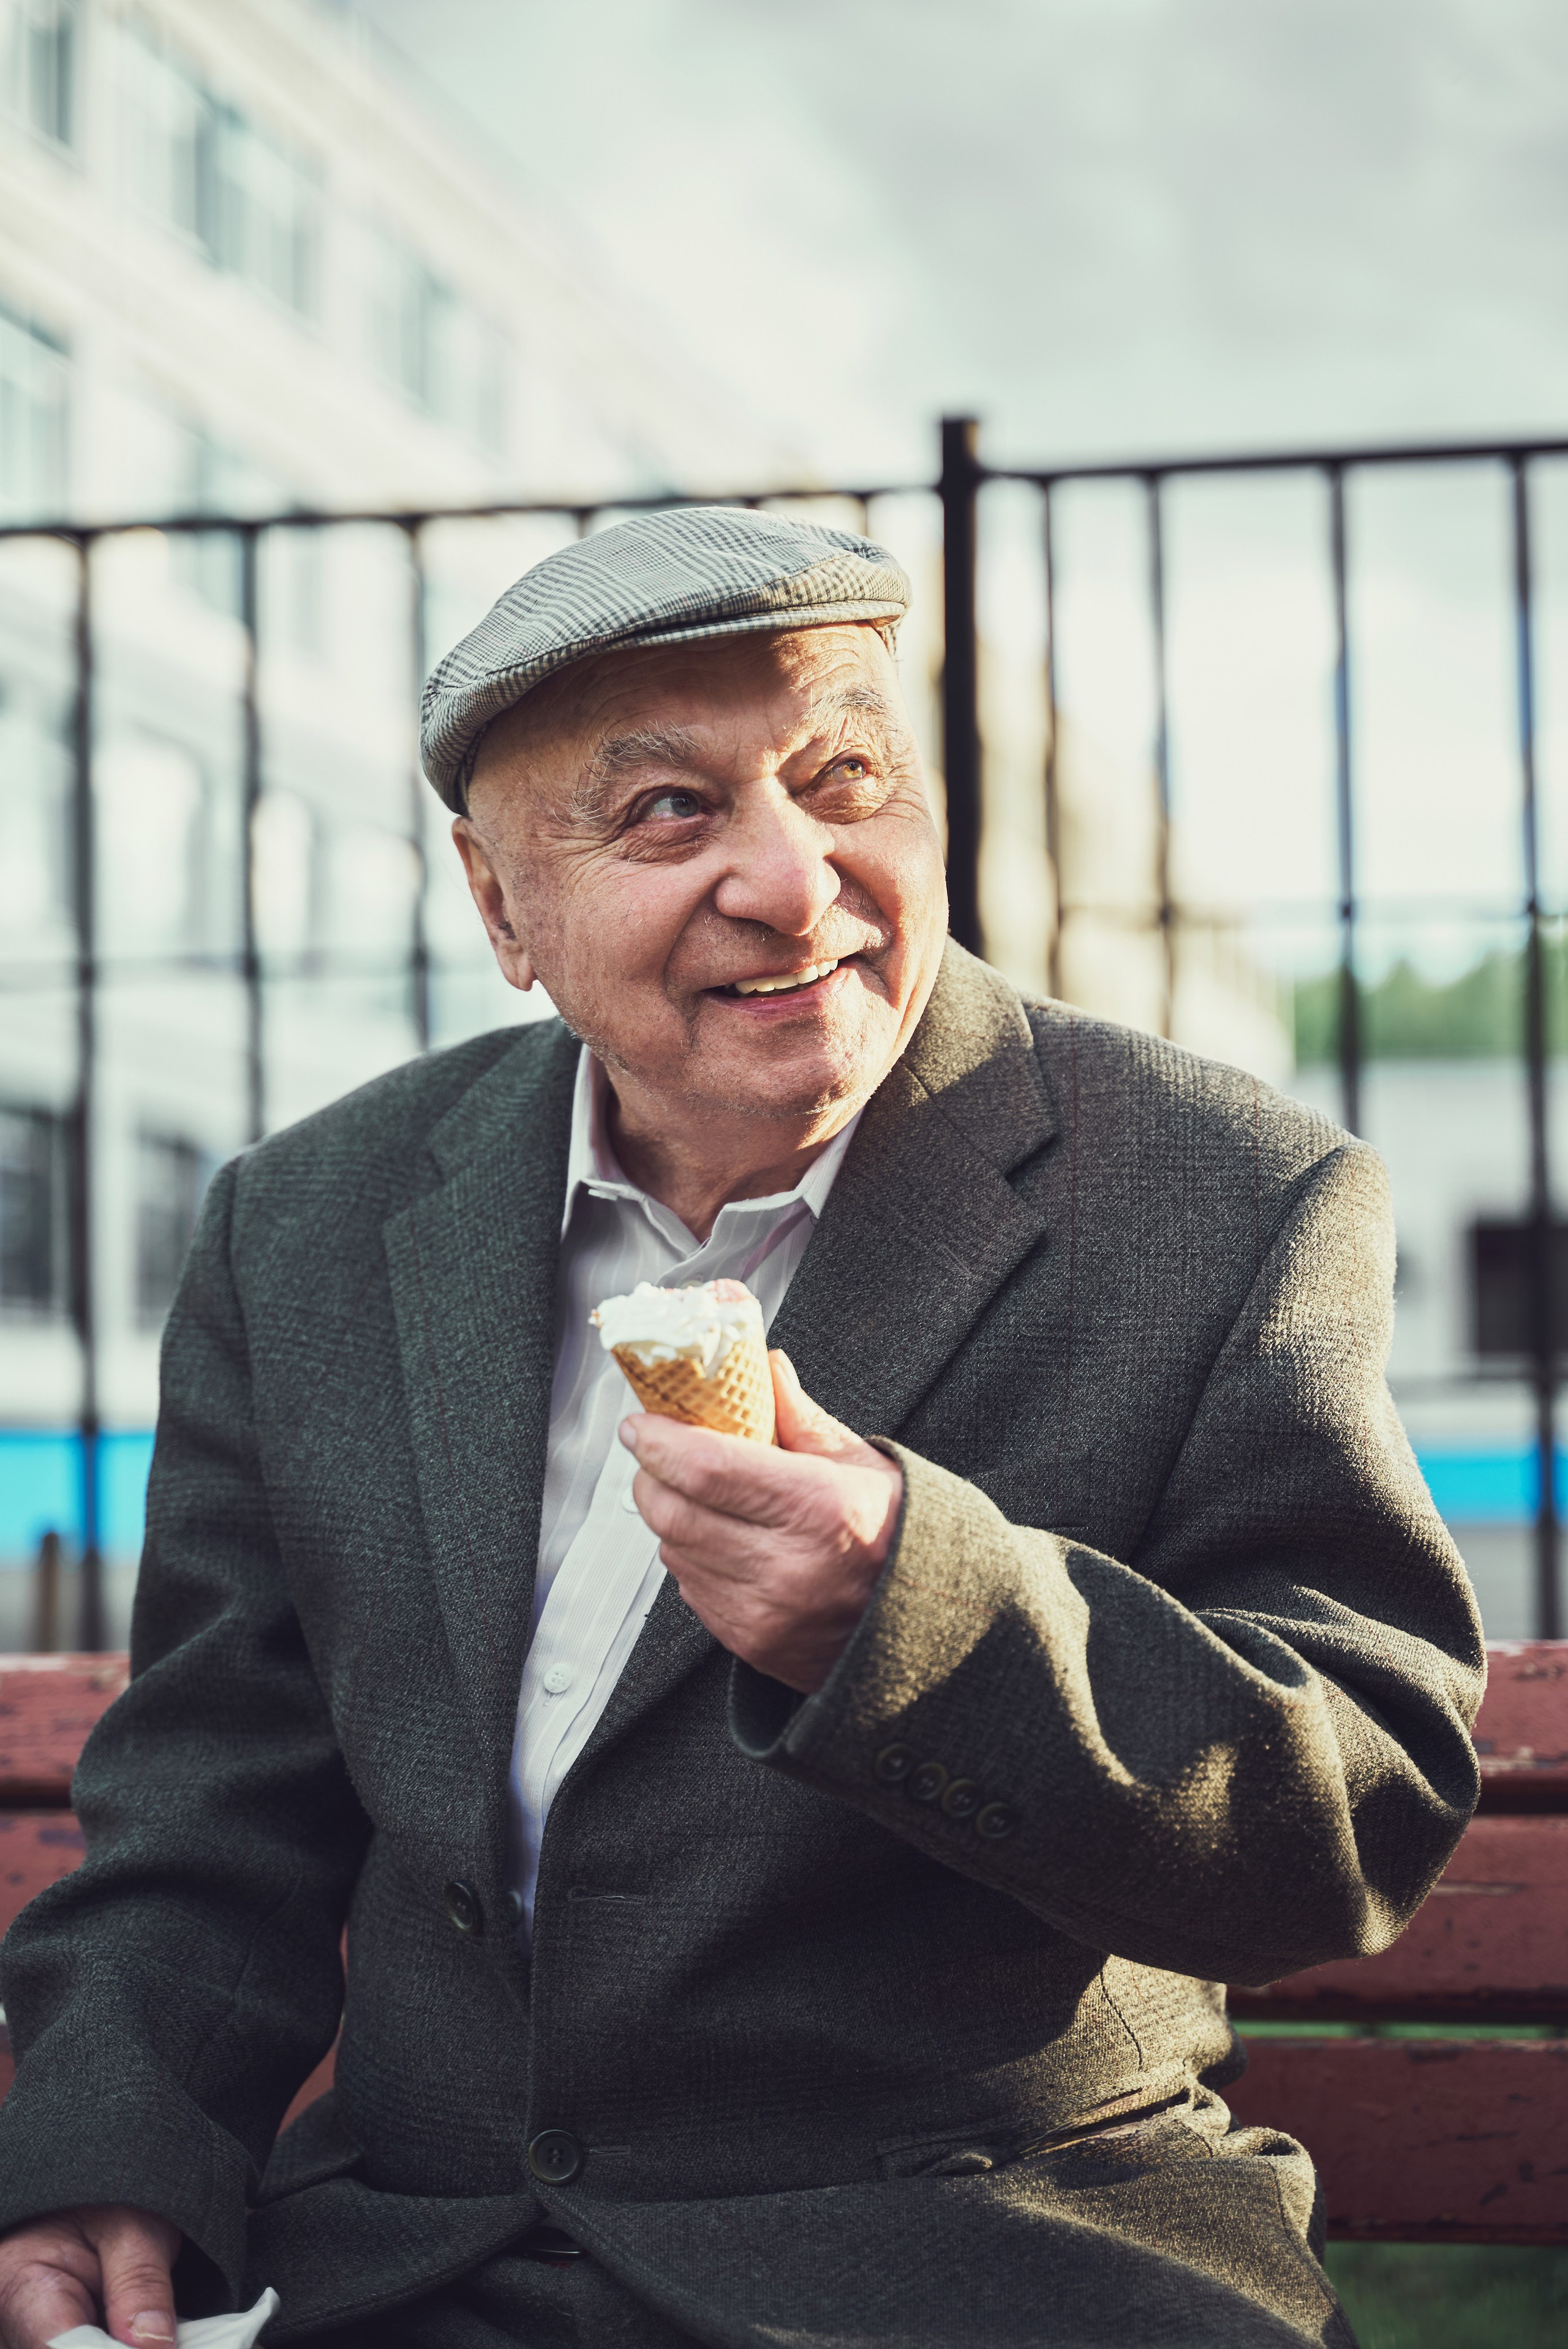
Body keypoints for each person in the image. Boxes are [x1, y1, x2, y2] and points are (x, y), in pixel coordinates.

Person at [0, 508, 1482, 2349]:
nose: (795, 881)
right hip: (433, 2268)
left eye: (842, 775)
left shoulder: (1228, 1193)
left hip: (988, 2262)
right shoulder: (306, 1224)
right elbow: (215, 1791)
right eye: (668, 813)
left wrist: (914, 1610)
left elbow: (1357, 1810)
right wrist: (108, 2153)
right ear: (499, 906)